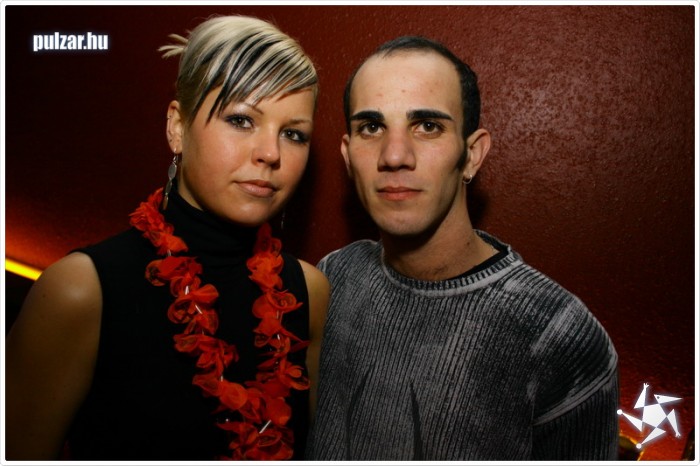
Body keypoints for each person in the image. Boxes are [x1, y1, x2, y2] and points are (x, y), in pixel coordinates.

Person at [6, 15, 328, 461]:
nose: (271, 153)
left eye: (293, 134)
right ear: (178, 127)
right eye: (240, 120)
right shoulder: (81, 291)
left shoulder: (308, 292)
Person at [306, 36, 618, 461]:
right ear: (348, 156)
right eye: (372, 127)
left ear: (472, 154)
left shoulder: (558, 335)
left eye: (427, 126)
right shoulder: (333, 277)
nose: (394, 155)